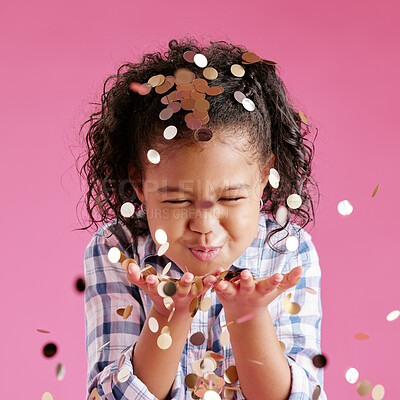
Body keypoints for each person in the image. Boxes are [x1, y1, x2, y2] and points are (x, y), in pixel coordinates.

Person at [78, 37, 327, 400]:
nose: (205, 226)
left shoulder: (288, 250)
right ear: (139, 185)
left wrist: (249, 316)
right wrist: (167, 314)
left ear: (264, 179)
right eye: (178, 199)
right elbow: (107, 396)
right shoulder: (118, 250)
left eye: (230, 197)